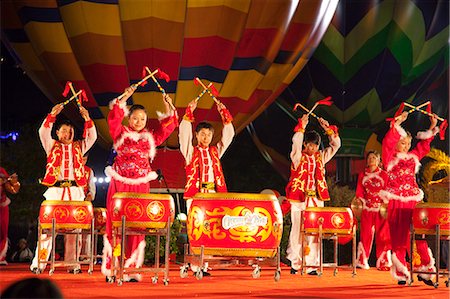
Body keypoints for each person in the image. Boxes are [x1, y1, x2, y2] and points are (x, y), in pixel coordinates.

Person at [102, 87, 178, 282]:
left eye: (142, 119)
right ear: (129, 118)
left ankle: (133, 267)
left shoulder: (149, 138)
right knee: (116, 225)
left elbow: (167, 128)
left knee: (137, 225)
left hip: (140, 186)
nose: (138, 122)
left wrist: (169, 106)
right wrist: (124, 98)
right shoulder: (120, 133)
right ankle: (114, 266)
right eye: (135, 118)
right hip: (119, 184)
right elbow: (113, 119)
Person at [30, 103, 97, 274]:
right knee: (47, 228)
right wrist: (52, 116)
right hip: (55, 191)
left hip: (75, 191)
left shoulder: (79, 147)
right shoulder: (51, 145)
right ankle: (39, 262)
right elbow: (42, 132)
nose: (67, 134)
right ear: (58, 132)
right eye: (64, 131)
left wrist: (87, 118)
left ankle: (72, 264)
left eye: (70, 131)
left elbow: (93, 137)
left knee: (74, 230)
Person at [380, 111, 439, 286]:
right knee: (398, 237)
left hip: (413, 202)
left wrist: (431, 127)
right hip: (396, 202)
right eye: (402, 142)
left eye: (407, 143)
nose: (405, 146)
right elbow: (387, 143)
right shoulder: (389, 158)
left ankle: (425, 270)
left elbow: (424, 145)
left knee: (418, 235)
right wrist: (397, 124)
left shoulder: (413, 157)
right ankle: (401, 273)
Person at [179, 98, 235, 275]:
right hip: (195, 195)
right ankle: (195, 264)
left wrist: (224, 113)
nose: (206, 137)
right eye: (202, 134)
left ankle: (204, 264)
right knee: (196, 228)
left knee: (211, 228)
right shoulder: (190, 152)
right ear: (196, 135)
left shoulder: (215, 152)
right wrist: (189, 114)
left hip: (212, 194)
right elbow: (183, 136)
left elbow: (229, 136)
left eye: (209, 135)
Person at [285, 114, 341, 275]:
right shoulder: (297, 157)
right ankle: (296, 263)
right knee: (297, 230)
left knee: (315, 232)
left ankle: (312, 265)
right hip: (298, 199)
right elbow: (295, 144)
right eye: (310, 146)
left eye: (315, 146)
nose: (313, 149)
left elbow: (336, 145)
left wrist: (328, 129)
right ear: (305, 144)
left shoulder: (320, 158)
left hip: (316, 199)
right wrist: (302, 126)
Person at [355, 150, 391, 270]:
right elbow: (359, 191)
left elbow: (387, 191)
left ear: (379, 160)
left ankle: (383, 262)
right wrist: (360, 202)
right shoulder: (362, 175)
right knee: (365, 235)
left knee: (382, 236)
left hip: (381, 210)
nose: (371, 160)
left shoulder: (384, 175)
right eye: (370, 158)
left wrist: (385, 205)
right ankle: (362, 260)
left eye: (374, 158)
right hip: (367, 209)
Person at [0, 168, 20, 265]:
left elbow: (12, 190)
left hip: (1, 207)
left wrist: (14, 182)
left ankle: (1, 257)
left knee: (2, 232)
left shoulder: (1, 171)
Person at [80, 155, 96, 260]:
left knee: (87, 231)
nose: (82, 161)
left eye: (84, 159)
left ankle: (86, 255)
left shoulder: (88, 171)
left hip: (84, 204)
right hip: (72, 202)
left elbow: (92, 188)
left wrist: (90, 195)